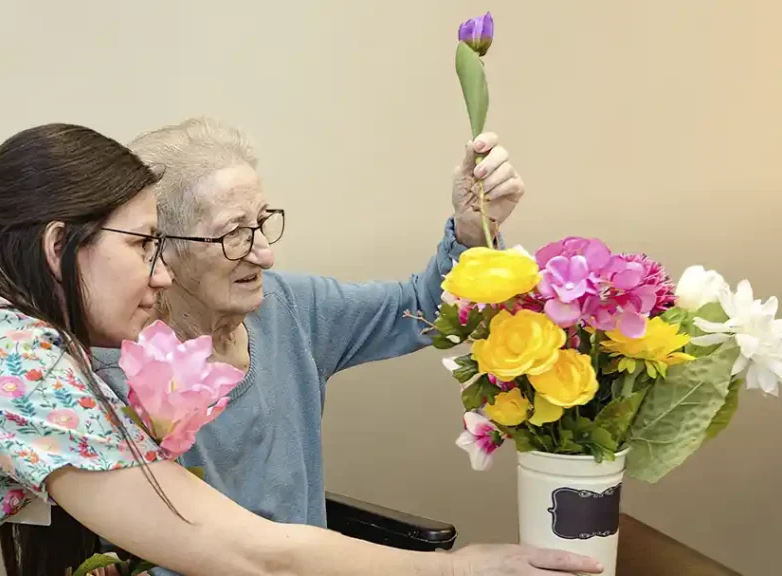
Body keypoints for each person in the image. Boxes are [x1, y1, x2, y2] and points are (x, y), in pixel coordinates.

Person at [0, 123, 602, 576]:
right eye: (148, 244)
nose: (158, 272)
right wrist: (456, 570)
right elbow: (239, 549)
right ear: (61, 246)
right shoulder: (24, 365)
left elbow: (419, 308)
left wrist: (472, 233)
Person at [91, 118, 530, 574]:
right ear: (161, 249)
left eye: (262, 223)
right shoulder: (113, 370)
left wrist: (473, 231)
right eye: (234, 233)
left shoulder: (290, 308)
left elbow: (420, 308)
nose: (264, 253)